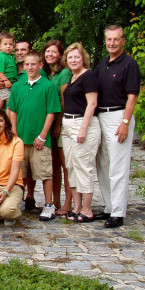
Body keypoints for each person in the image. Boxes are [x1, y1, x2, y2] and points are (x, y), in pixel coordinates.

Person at [95, 25, 140, 228]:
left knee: (118, 166)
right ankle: (109, 206)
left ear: (123, 41)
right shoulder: (103, 64)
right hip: (101, 116)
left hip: (119, 115)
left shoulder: (129, 64)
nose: (112, 43)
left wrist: (125, 122)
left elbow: (132, 96)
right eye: (109, 39)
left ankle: (118, 212)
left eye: (116, 39)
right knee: (103, 164)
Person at [8, 51, 61, 221]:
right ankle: (20, 201)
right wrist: (14, 133)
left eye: (33, 64)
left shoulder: (48, 86)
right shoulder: (18, 86)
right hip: (21, 139)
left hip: (40, 140)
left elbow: (51, 112)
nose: (29, 67)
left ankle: (48, 204)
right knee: (21, 173)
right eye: (26, 64)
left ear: (40, 65)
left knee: (44, 172)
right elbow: (12, 110)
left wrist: (43, 136)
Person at [61, 43, 101, 223]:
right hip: (68, 124)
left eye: (77, 57)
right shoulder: (73, 77)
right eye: (70, 57)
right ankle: (76, 206)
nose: (73, 60)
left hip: (82, 124)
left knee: (83, 167)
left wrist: (83, 128)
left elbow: (92, 104)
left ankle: (87, 209)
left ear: (83, 58)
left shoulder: (88, 76)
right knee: (71, 167)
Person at [42, 40, 73, 217]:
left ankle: (68, 202)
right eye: (47, 51)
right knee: (53, 166)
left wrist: (58, 124)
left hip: (59, 122)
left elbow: (63, 101)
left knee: (64, 164)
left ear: (60, 55)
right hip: (47, 123)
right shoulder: (45, 73)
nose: (50, 54)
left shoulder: (64, 73)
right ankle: (55, 201)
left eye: (54, 52)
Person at [0, 31, 17, 110]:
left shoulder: (11, 56)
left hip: (7, 81)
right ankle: (8, 119)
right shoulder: (2, 57)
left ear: (14, 45)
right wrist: (6, 80)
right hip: (2, 81)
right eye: (5, 44)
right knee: (10, 102)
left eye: (10, 44)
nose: (8, 46)